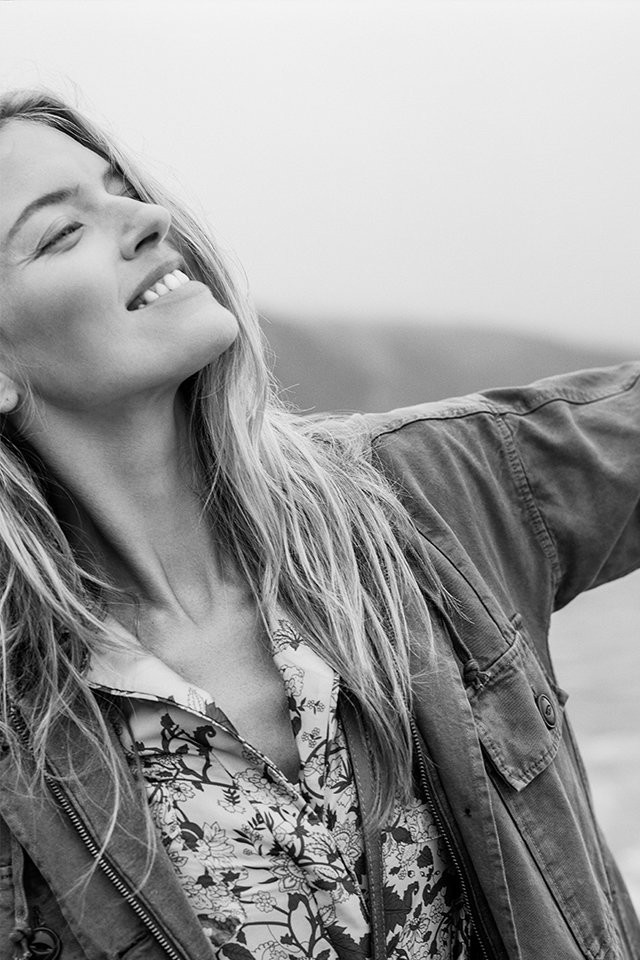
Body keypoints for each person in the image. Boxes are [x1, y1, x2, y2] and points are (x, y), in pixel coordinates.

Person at [0, 89, 638, 960]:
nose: (149, 218)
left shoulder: (426, 495)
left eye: (120, 188)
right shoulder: (23, 724)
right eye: (61, 231)